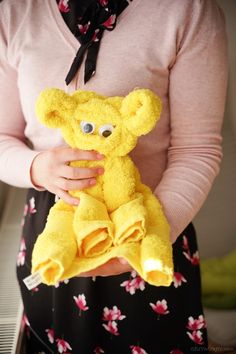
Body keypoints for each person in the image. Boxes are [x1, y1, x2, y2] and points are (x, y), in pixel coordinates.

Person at [0, 0, 228, 353]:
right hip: (56, 231)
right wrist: (36, 167)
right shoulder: (12, 11)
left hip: (149, 224)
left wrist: (148, 234)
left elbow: (197, 150)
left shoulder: (187, 9)